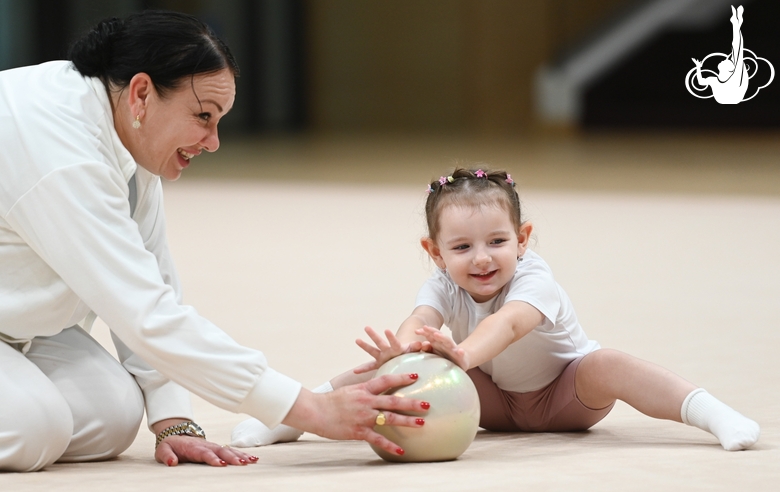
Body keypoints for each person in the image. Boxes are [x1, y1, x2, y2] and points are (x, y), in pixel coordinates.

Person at [0, 11, 427, 473]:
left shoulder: (124, 127)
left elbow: (149, 281)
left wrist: (173, 419)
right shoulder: (61, 149)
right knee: (33, 429)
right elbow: (145, 313)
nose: (214, 141)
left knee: (114, 416)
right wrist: (310, 409)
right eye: (203, 116)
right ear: (142, 93)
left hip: (21, 326)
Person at [232, 167, 760, 452]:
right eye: (461, 248)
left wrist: (458, 354)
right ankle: (293, 416)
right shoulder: (442, 284)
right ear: (435, 253)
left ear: (523, 238)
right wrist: (401, 352)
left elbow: (508, 326)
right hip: (491, 403)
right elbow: (419, 323)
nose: (482, 259)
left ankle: (710, 414)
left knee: (609, 363)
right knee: (387, 365)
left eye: (497, 242)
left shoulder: (537, 279)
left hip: (567, 395)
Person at [692, 5, 748, 104]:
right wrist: (698, 67)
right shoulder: (715, 80)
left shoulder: (733, 78)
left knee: (737, 50)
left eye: (727, 61)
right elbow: (701, 82)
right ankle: (736, 23)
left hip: (732, 97)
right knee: (737, 51)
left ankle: (736, 23)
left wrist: (736, 26)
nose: (725, 59)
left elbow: (737, 48)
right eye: (728, 60)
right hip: (728, 98)